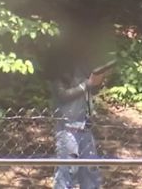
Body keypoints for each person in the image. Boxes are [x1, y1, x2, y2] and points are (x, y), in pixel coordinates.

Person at [48, 39, 108, 189]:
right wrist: (88, 84)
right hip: (67, 128)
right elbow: (62, 95)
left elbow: (91, 91)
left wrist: (98, 81)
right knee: (66, 174)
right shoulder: (59, 66)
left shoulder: (84, 66)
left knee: (91, 174)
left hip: (86, 128)